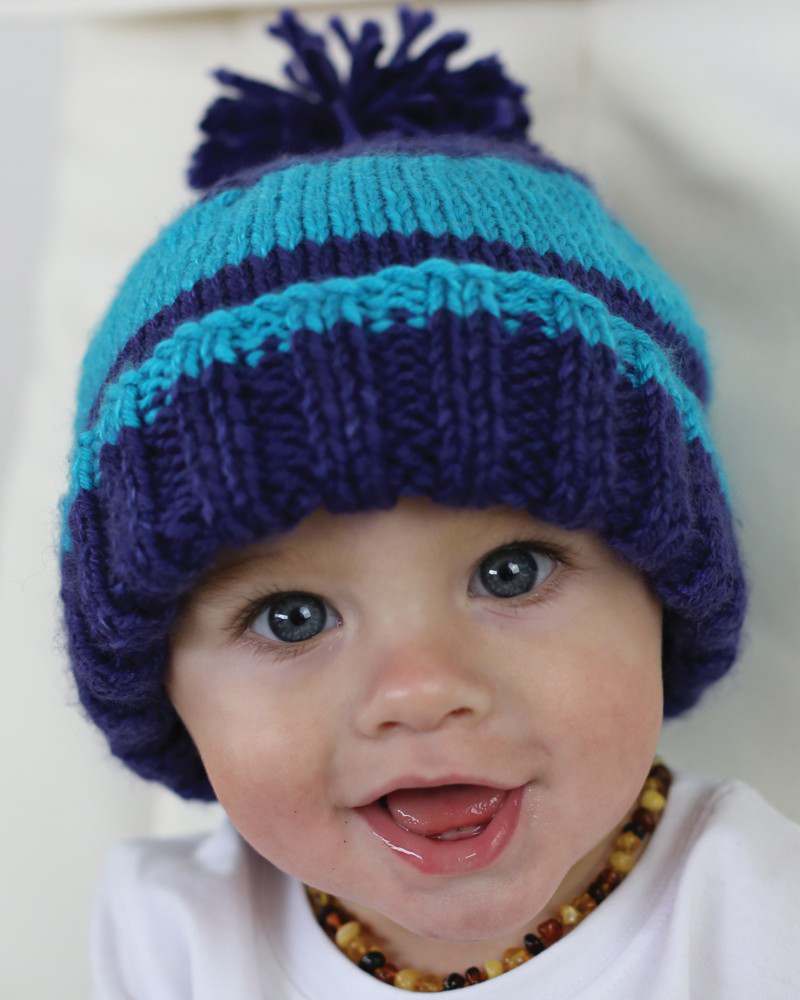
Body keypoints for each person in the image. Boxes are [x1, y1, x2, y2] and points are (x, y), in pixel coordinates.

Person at [57, 5, 800, 997]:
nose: (419, 689)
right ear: (164, 693)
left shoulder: (753, 914)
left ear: (664, 597)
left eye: (510, 571)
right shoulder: (174, 937)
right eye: (291, 616)